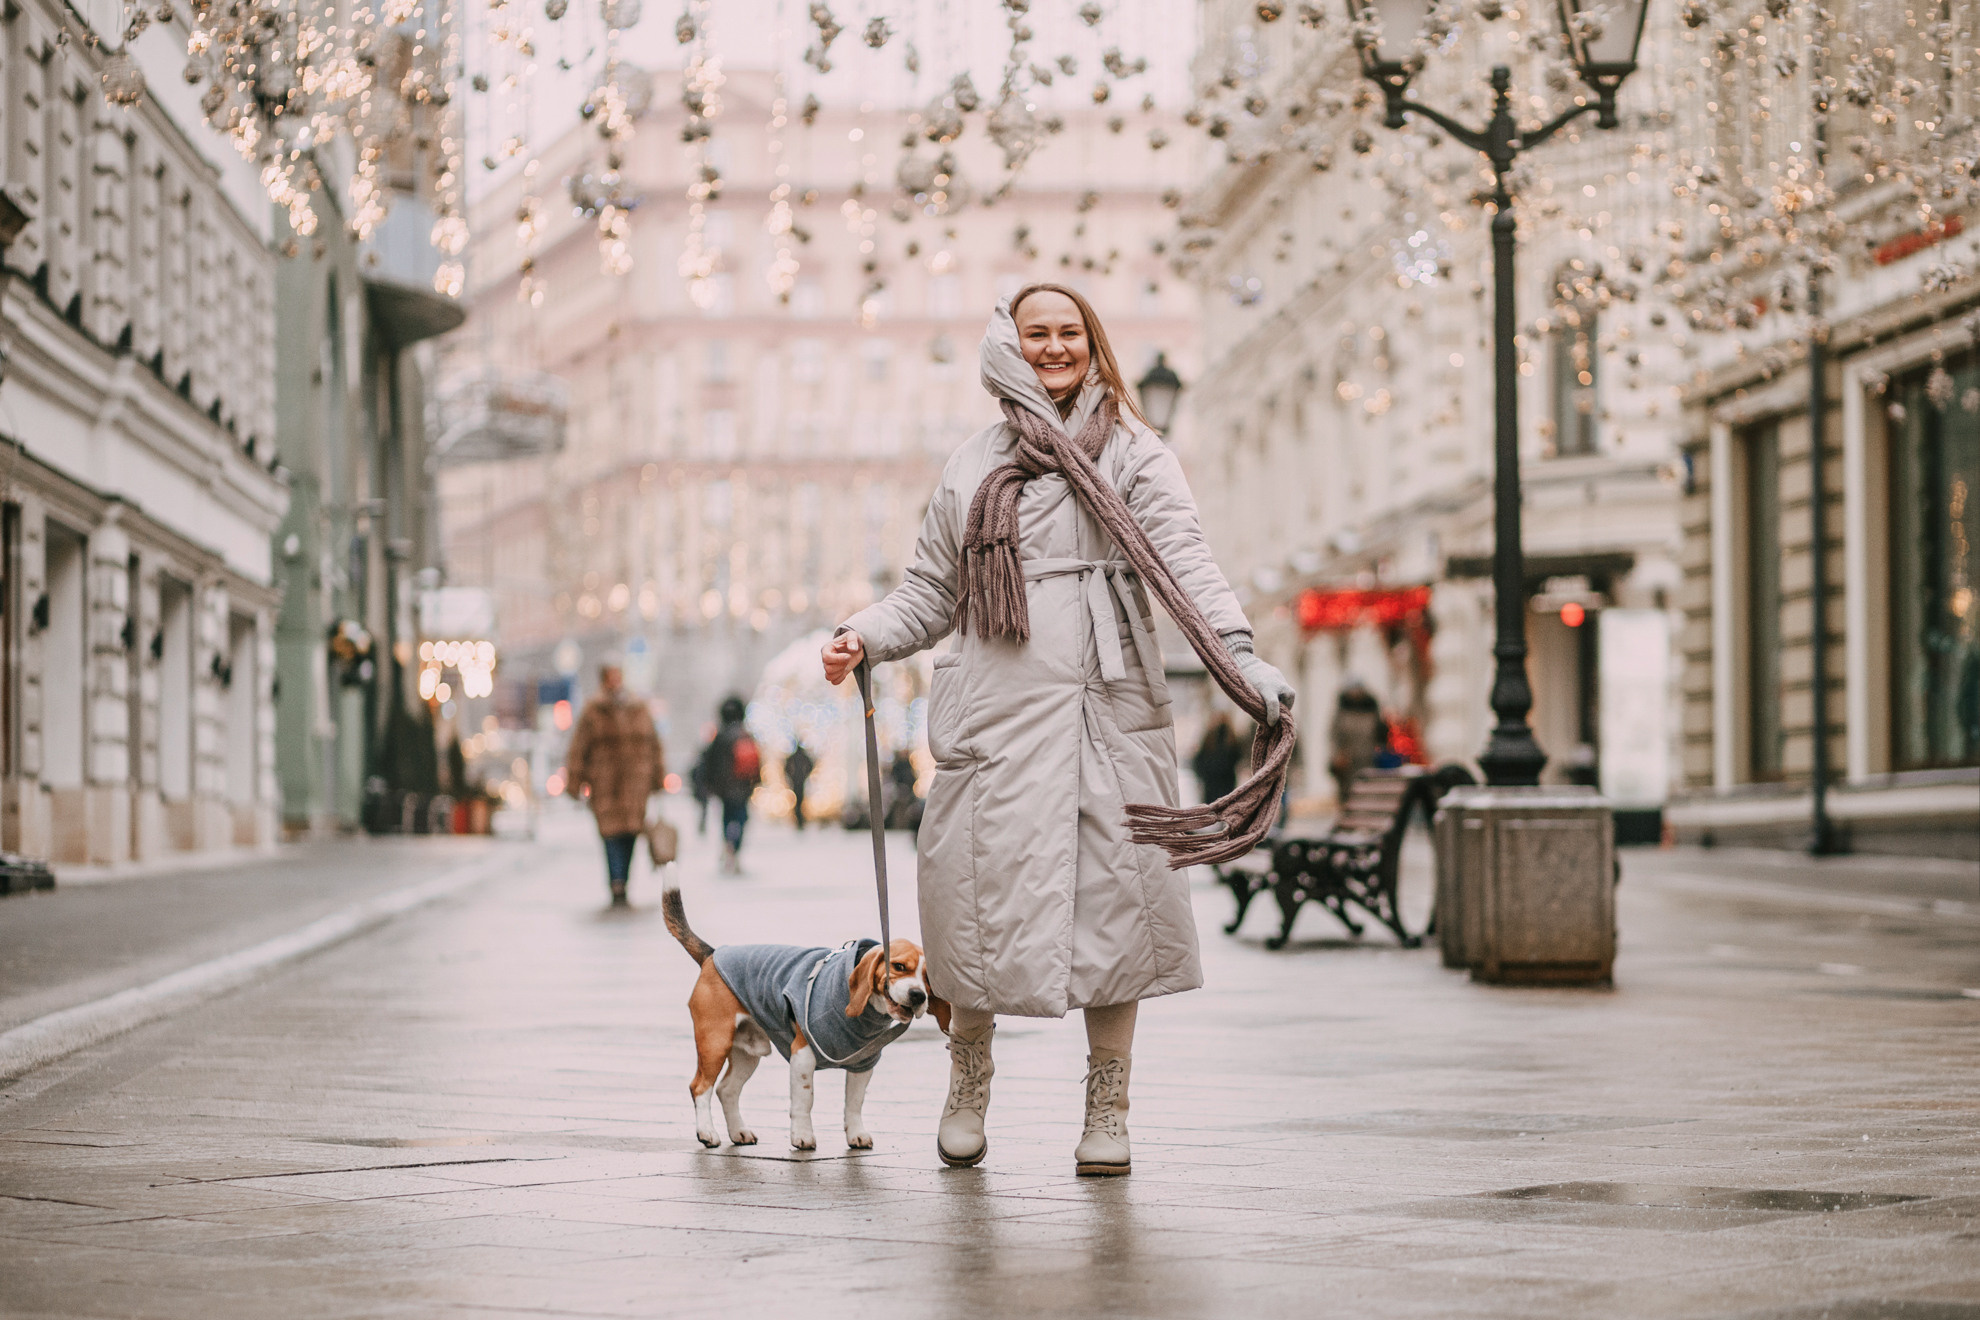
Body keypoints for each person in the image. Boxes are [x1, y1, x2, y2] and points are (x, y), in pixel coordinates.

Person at [821, 285, 1294, 1177]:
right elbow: (931, 589)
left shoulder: (1135, 451)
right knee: (967, 905)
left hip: (1104, 708)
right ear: (1010, 347)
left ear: (1094, 343)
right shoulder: (970, 464)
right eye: (1034, 334)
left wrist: (1240, 655)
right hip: (994, 713)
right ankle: (968, 1076)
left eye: (1068, 333)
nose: (1053, 349)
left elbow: (1183, 559)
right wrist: (866, 633)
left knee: (1118, 909)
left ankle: (1108, 1101)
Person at [564, 662, 663, 906]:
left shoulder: (638, 708)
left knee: (630, 834)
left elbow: (654, 744)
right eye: (610, 675)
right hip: (605, 784)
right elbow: (579, 748)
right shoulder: (593, 710)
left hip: (635, 786)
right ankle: (616, 883)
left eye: (618, 674)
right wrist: (575, 781)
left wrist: (658, 776)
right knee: (610, 835)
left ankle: (623, 881)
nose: (615, 680)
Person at [700, 696, 761, 875]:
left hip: (725, 789)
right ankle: (735, 848)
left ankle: (728, 845)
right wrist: (755, 782)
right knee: (741, 819)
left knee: (727, 819)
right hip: (743, 786)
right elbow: (756, 763)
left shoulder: (720, 736)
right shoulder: (746, 735)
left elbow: (708, 763)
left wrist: (710, 785)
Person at [1328, 679, 1386, 806]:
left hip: (1369, 762)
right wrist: (1337, 756)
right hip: (1348, 766)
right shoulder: (1341, 713)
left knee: (1369, 796)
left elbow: (1381, 736)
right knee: (1348, 798)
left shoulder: (1372, 711)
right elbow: (1334, 737)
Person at [1190, 711, 1245, 806]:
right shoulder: (1229, 738)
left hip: (1217, 783)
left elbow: (1199, 759)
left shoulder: (1217, 738)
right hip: (1221, 782)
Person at [784, 742, 815, 830]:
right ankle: (800, 820)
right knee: (799, 802)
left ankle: (799, 820)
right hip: (799, 781)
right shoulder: (802, 757)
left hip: (797, 781)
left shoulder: (793, 757)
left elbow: (786, 768)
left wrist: (792, 776)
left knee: (798, 802)